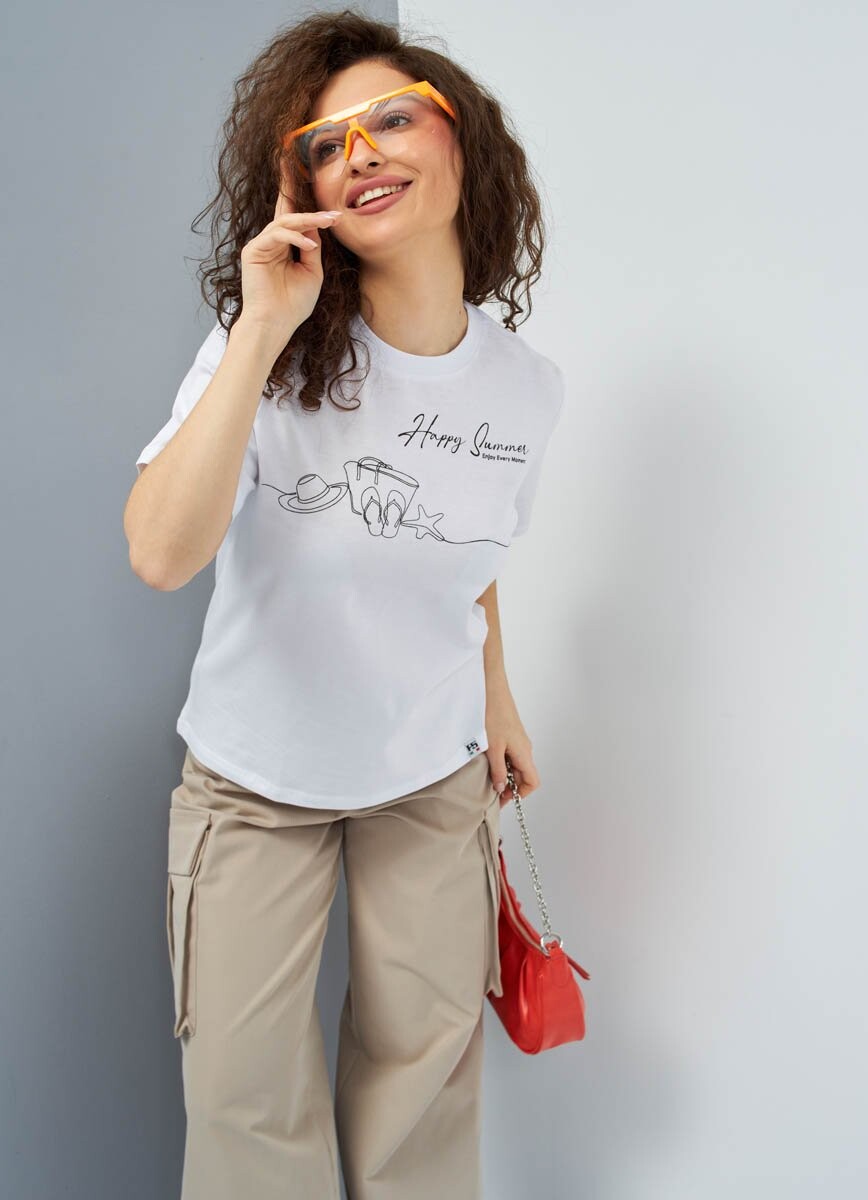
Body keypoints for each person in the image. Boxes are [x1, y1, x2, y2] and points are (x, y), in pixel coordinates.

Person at [123, 10, 565, 1199]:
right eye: (325, 144)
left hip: (431, 776)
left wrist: (497, 696)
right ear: (303, 189)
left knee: (423, 1101)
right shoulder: (263, 349)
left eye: (391, 120)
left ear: (463, 140)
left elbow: (468, 551)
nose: (359, 153)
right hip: (255, 780)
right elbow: (160, 553)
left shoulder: (526, 389)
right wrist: (263, 330)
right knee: (248, 1114)